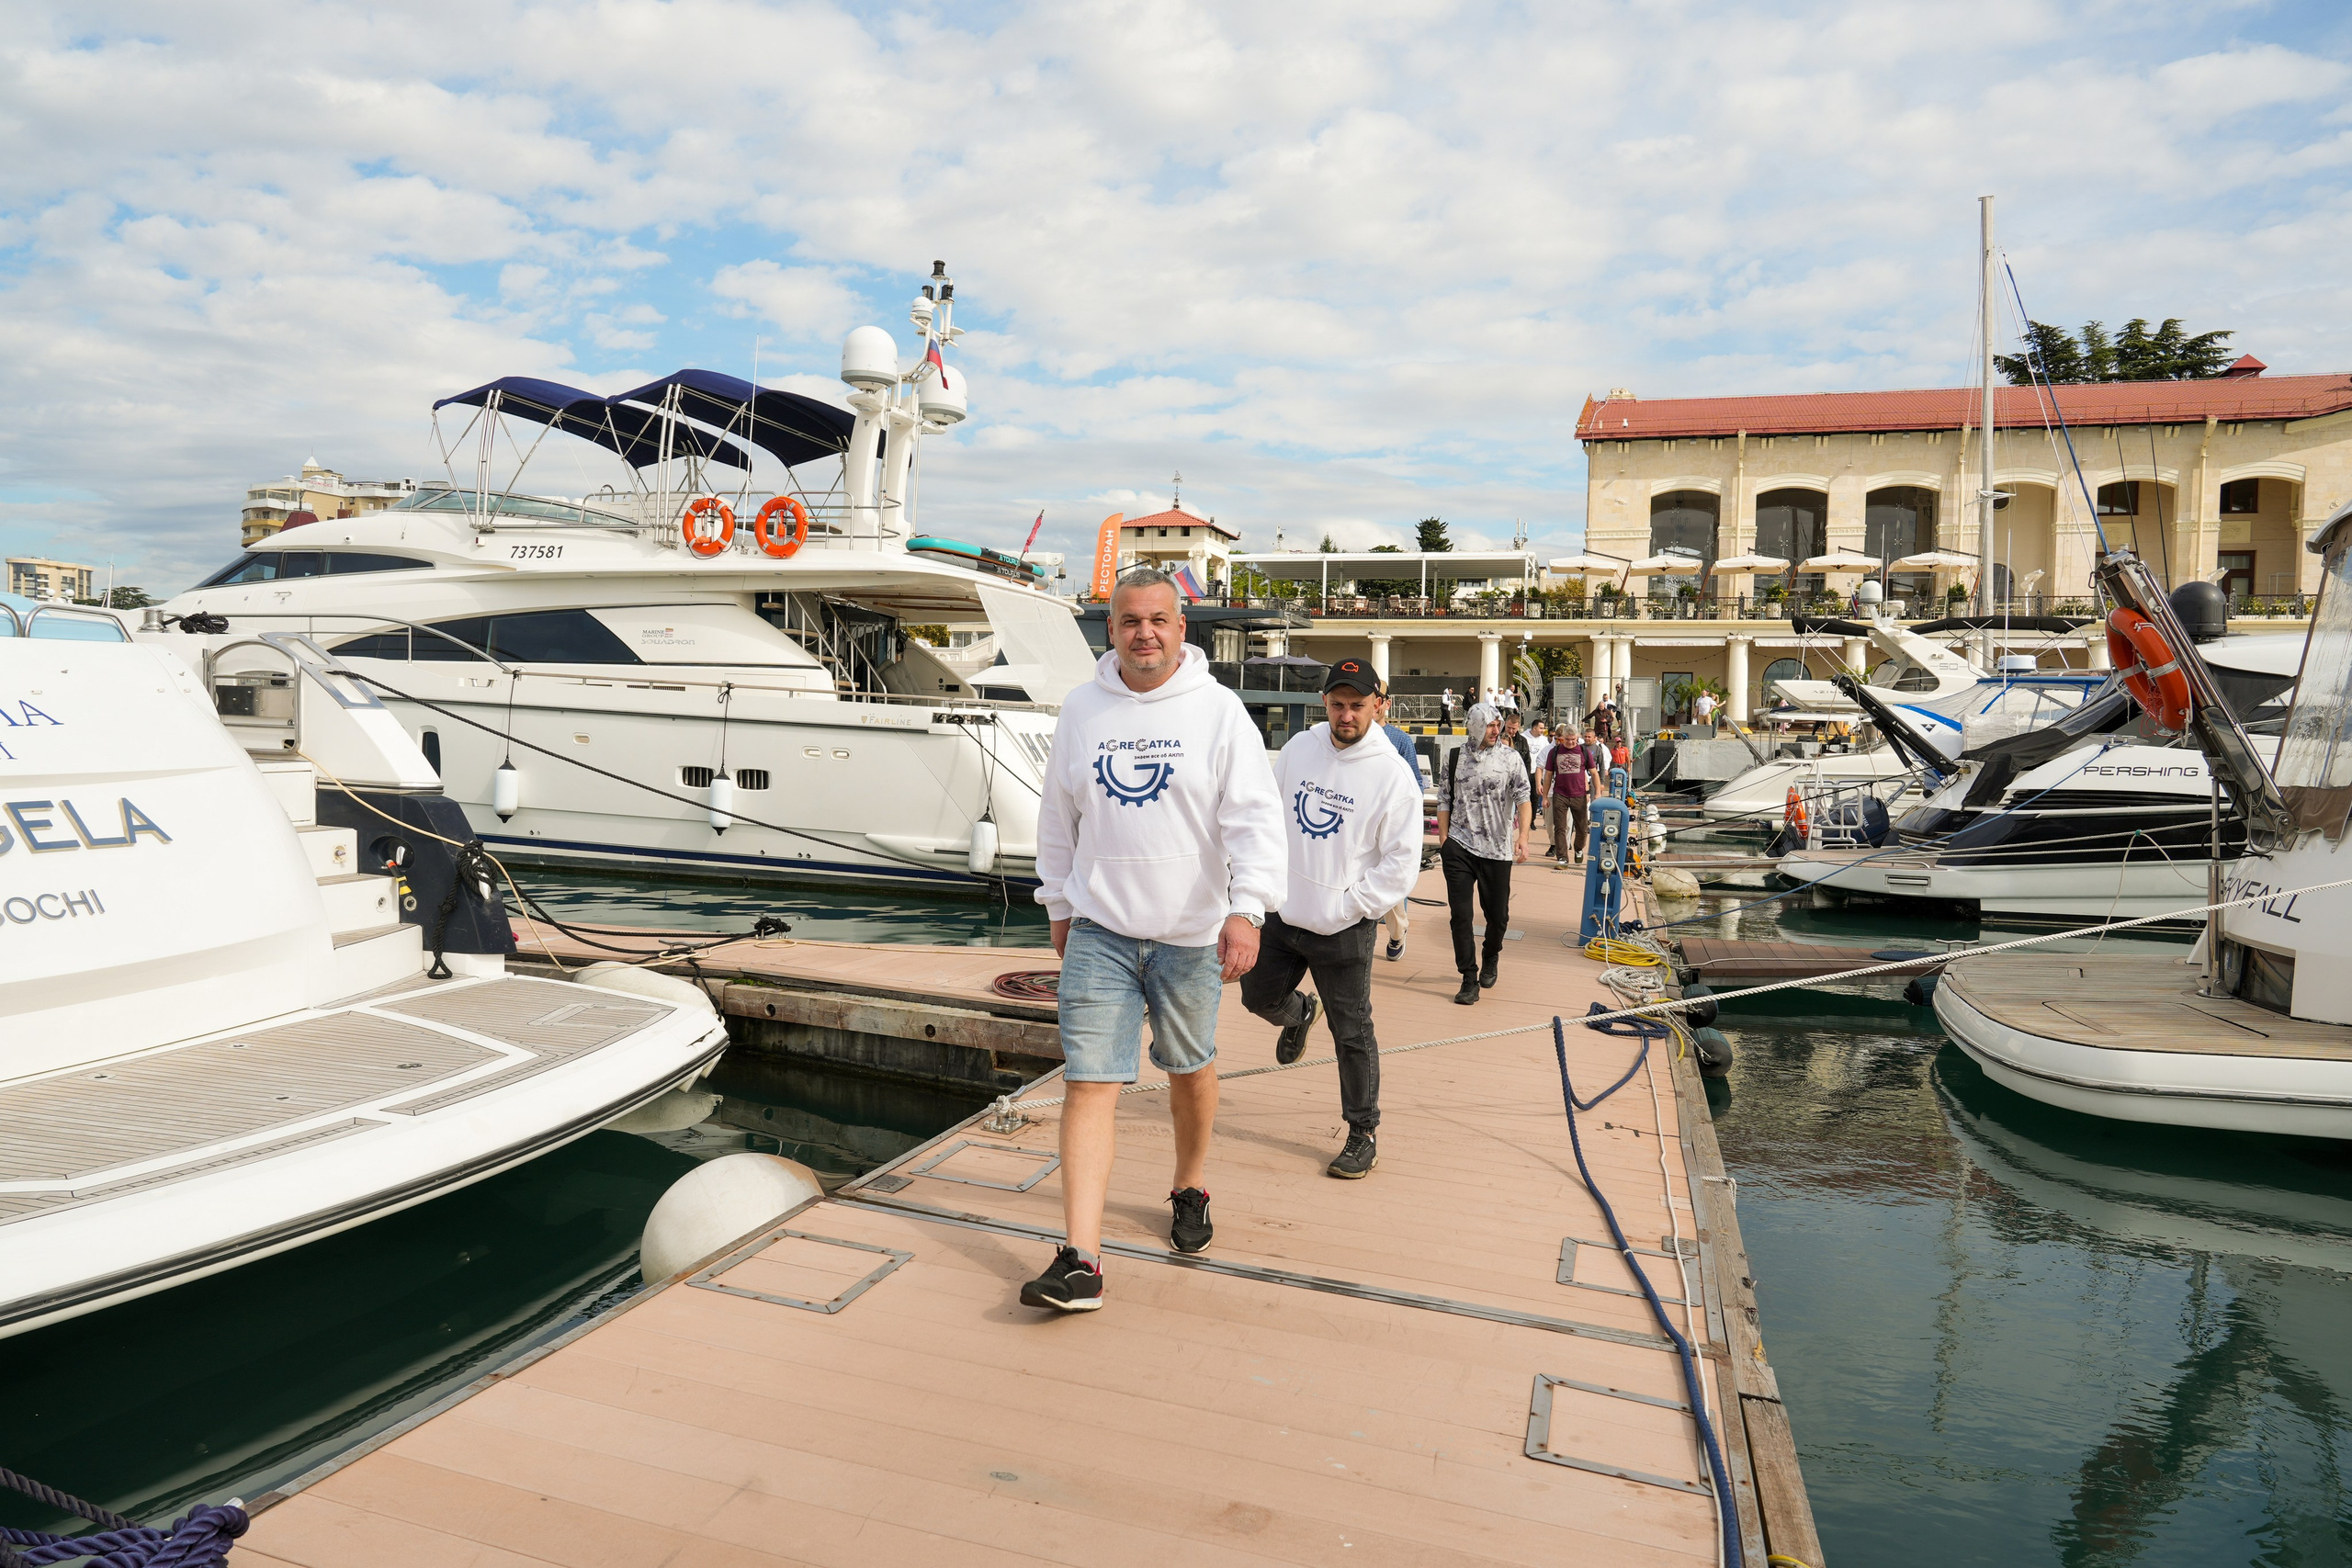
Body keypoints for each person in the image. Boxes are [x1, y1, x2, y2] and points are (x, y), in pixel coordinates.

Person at [1023, 569, 1286, 1313]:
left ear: (1181, 628)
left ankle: (1189, 1183)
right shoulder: (1081, 709)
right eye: (1130, 620)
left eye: (1160, 620)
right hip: (1101, 928)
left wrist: (1248, 909)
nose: (1145, 632)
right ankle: (1082, 1259)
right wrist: (1058, 902)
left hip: (1190, 932)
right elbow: (1058, 818)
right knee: (1090, 1080)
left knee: (1189, 1069)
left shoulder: (1219, 711)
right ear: (1111, 630)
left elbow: (1255, 820)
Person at [1241, 658, 1422, 1179]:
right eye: (1338, 704)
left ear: (1378, 706)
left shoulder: (1392, 776)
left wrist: (1349, 905)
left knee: (1353, 1031)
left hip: (1343, 924)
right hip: (1281, 911)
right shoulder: (1300, 749)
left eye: (1358, 706)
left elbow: (1400, 864)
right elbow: (1267, 817)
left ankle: (1362, 1132)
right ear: (1325, 702)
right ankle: (1300, 1014)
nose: (1347, 715)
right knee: (1257, 998)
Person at [1436, 702, 1530, 1006]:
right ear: (1475, 725)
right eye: (1489, 724)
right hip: (1459, 848)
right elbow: (1444, 798)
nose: (1495, 729)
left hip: (1497, 849)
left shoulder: (1511, 758)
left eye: (1498, 724)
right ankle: (1468, 977)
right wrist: (1444, 839)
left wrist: (1524, 836)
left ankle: (1491, 955)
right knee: (1460, 917)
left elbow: (1523, 798)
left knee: (1498, 917)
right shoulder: (1454, 757)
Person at [1373, 692, 1422, 962]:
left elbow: (1415, 783)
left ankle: (1397, 931)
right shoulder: (1348, 736)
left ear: (1385, 703)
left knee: (1388, 883)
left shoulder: (1400, 740)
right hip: (1355, 821)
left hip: (1390, 824)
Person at [1546, 728, 1595, 864]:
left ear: (1577, 738)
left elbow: (1594, 773)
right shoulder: (1554, 752)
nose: (1571, 742)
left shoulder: (1584, 751)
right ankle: (1562, 857)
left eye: (1574, 740)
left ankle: (1579, 848)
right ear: (1562, 738)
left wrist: (1596, 793)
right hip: (1560, 794)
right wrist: (1544, 797)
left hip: (1579, 794)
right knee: (1560, 827)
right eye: (1567, 740)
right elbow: (1548, 775)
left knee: (1582, 827)